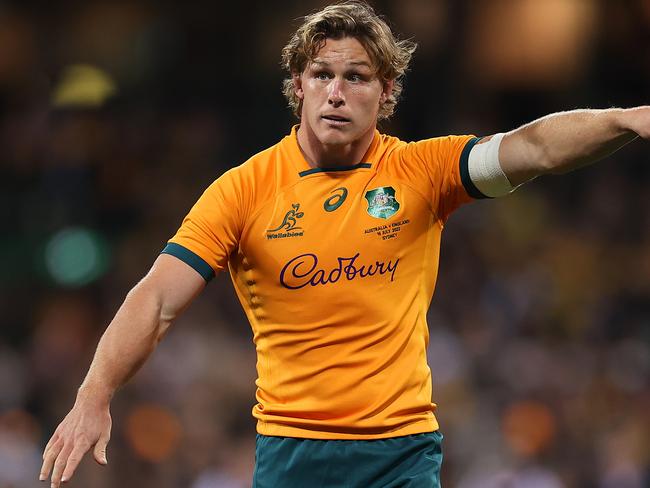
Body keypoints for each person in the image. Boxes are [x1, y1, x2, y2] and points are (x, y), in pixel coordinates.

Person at [40, 1, 649, 487]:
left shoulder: (422, 172)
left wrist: (625, 119)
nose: (336, 92)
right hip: (291, 455)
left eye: (356, 77)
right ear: (297, 86)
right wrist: (94, 395)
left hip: (400, 454)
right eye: (322, 74)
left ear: (385, 93)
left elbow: (535, 147)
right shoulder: (243, 191)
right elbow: (156, 301)